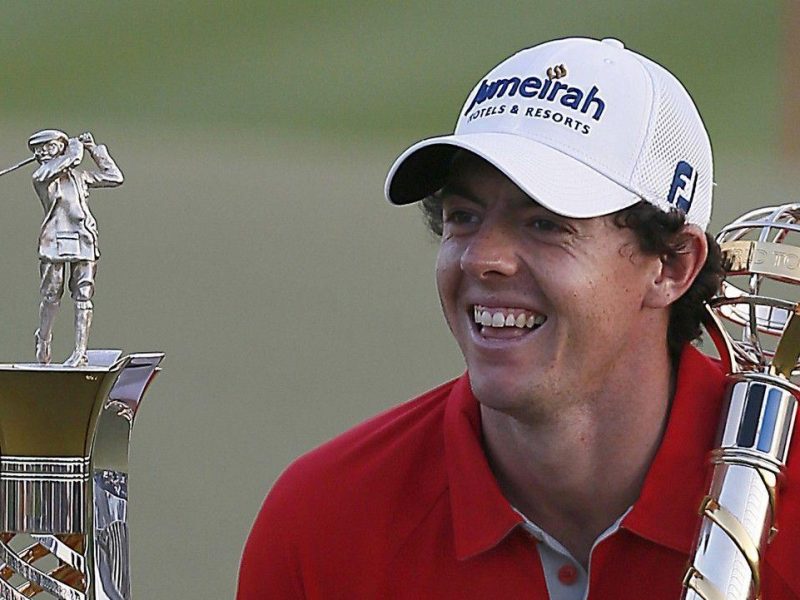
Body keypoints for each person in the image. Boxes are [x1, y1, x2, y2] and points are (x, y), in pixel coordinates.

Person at [238, 37, 800, 598]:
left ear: (672, 265)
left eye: (545, 224)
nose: (483, 258)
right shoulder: (322, 523)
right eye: (464, 216)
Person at [29, 129, 124, 366]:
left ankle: (80, 351)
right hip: (55, 240)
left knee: (84, 295)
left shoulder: (80, 177)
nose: (44, 153)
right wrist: (74, 147)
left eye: (50, 147)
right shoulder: (42, 175)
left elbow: (114, 177)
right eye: (40, 150)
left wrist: (94, 149)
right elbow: (72, 158)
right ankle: (44, 339)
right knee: (51, 295)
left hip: (83, 238)